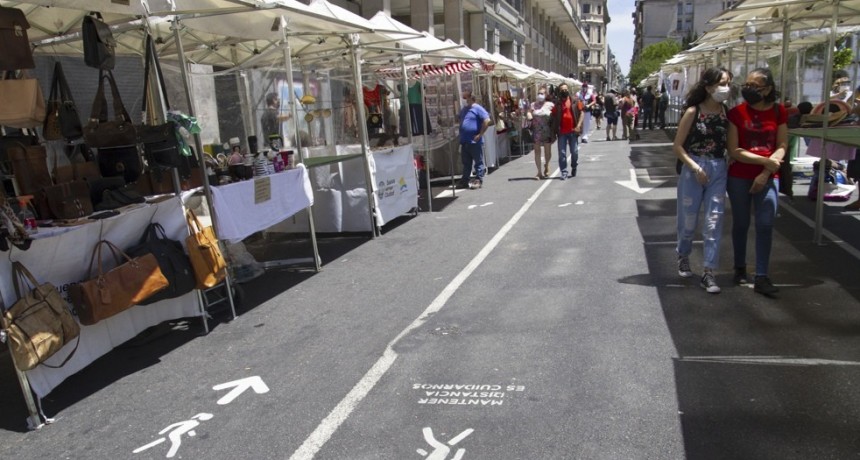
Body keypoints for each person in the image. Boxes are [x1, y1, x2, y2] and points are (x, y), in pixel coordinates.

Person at [726, 67, 788, 297]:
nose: (748, 89)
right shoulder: (736, 113)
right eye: (747, 84)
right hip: (739, 176)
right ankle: (739, 267)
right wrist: (766, 161)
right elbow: (734, 150)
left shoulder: (779, 111)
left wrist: (766, 171)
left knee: (765, 224)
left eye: (755, 86)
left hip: (769, 175)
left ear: (768, 89)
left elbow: (782, 144)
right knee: (741, 223)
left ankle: (762, 275)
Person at [673, 67, 732, 294]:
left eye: (728, 83)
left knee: (713, 221)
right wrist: (696, 167)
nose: (725, 88)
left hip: (718, 168)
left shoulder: (727, 114)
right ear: (708, 87)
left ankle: (709, 272)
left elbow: (731, 146)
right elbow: (677, 146)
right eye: (721, 84)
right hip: (693, 169)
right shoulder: (693, 112)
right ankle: (683, 254)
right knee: (688, 221)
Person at [458, 90, 492, 189]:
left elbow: (487, 121)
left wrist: (480, 134)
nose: (465, 99)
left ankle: (478, 179)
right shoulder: (464, 109)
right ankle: (465, 180)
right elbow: (459, 119)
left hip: (474, 140)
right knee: (466, 163)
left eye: (466, 97)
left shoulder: (478, 108)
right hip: (465, 140)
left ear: (471, 98)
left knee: (478, 162)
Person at [550, 82, 584, 180]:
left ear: (568, 90)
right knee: (562, 154)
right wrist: (553, 131)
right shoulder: (557, 103)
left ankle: (574, 166)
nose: (564, 91)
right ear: (559, 92)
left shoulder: (576, 101)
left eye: (565, 89)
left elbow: (582, 113)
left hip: (573, 131)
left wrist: (578, 126)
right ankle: (564, 172)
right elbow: (553, 116)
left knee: (575, 152)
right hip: (562, 133)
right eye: (562, 90)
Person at [529, 86, 555, 179]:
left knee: (547, 151)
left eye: (542, 93)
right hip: (536, 131)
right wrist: (529, 116)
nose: (540, 95)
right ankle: (539, 172)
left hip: (547, 130)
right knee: (537, 151)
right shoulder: (533, 105)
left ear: (546, 95)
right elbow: (529, 112)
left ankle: (547, 164)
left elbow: (555, 115)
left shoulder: (550, 105)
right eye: (539, 93)